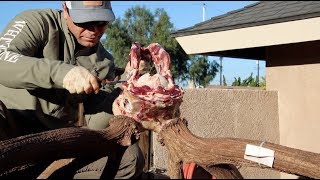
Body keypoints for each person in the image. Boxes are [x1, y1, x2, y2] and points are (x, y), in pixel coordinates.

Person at [0, 1, 145, 179]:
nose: (93, 31)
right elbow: (2, 61)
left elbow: (96, 124)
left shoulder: (104, 62)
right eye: (84, 22)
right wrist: (63, 73)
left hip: (55, 144)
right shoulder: (38, 22)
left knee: (130, 158)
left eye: (101, 23)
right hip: (9, 125)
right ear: (65, 9)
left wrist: (126, 87)